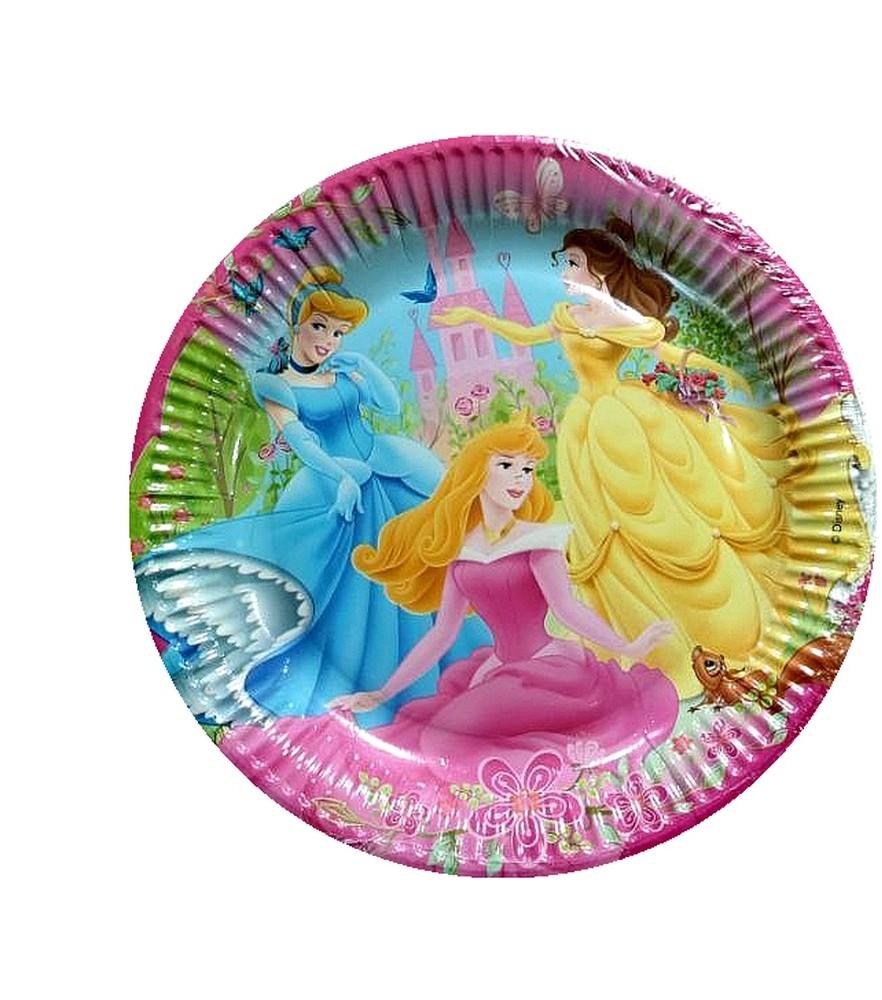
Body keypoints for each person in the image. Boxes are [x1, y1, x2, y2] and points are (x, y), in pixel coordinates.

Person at [433, 220, 823, 696]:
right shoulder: (566, 315)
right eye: (563, 263)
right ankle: (633, 635)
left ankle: (700, 622)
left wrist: (717, 375)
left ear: (598, 271)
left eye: (572, 263)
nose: (564, 272)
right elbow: (526, 334)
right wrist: (475, 318)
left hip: (623, 419)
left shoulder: (626, 322)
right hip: (584, 427)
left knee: (652, 513)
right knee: (605, 527)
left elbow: (670, 353)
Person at [219, 415, 679, 795]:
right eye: (507, 466)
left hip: (551, 670)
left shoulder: (540, 542)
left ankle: (553, 768)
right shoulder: (461, 552)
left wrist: (627, 645)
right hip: (498, 670)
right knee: (430, 732)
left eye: (527, 469)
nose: (520, 478)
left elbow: (567, 609)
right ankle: (545, 760)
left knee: (442, 739)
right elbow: (442, 635)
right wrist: (381, 694)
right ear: (478, 472)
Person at [136, 265, 488, 727]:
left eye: (338, 332)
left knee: (429, 562)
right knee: (351, 588)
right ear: (297, 322)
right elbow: (300, 440)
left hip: (386, 467)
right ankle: (373, 688)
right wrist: (340, 477)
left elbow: (389, 406)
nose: (328, 340)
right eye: (320, 326)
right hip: (333, 478)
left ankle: (453, 678)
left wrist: (363, 368)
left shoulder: (341, 374)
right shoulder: (275, 384)